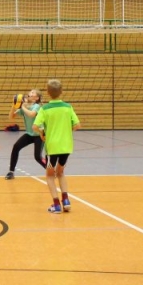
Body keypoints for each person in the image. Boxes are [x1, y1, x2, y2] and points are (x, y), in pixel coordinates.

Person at [33, 79, 80, 214]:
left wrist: (42, 133)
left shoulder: (45, 109)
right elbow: (77, 125)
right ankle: (66, 201)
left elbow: (35, 126)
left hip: (52, 147)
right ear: (61, 92)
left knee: (50, 176)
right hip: (66, 146)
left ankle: (56, 205)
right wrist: (65, 130)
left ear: (47, 93)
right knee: (61, 173)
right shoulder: (68, 107)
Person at [5, 89, 47, 179]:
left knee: (37, 157)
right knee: (16, 147)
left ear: (36, 98)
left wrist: (23, 107)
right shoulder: (26, 106)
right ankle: (11, 172)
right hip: (29, 134)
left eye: (33, 93)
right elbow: (11, 117)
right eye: (30, 92)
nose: (30, 93)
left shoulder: (37, 106)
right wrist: (14, 105)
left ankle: (51, 170)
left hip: (39, 134)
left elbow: (31, 114)